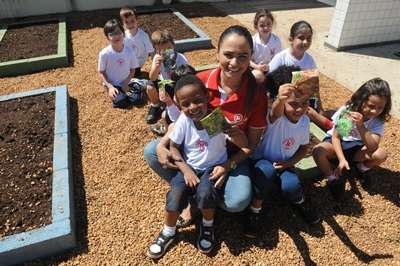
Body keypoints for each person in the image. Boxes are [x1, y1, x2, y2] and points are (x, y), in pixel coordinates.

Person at [144, 25, 268, 225]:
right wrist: (162, 143)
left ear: (251, 56)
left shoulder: (256, 94)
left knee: (237, 202)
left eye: (243, 56)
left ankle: (205, 194)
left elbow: (250, 145)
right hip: (196, 150)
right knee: (151, 151)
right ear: (217, 52)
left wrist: (228, 165)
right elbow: (181, 120)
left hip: (230, 154)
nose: (234, 63)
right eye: (228, 54)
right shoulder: (198, 83)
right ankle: (193, 193)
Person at [147, 75, 250, 259]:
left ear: (207, 97)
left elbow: (244, 145)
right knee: (175, 193)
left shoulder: (215, 118)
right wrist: (185, 170)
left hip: (212, 168)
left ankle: (208, 225)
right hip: (190, 167)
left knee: (205, 193)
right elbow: (174, 147)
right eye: (186, 104)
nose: (193, 108)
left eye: (197, 101)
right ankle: (168, 230)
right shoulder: (184, 121)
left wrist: (233, 132)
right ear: (179, 105)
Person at [245, 75, 321, 238]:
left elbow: (303, 148)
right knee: (264, 173)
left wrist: (289, 163)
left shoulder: (305, 121)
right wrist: (280, 99)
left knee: (291, 186)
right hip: (264, 161)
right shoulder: (276, 118)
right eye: (293, 104)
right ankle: (255, 210)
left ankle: (301, 203)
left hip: (285, 163)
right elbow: (275, 112)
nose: (299, 109)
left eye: (304, 104)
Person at [313, 78, 391, 199]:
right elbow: (336, 137)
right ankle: (332, 179)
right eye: (371, 106)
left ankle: (360, 168)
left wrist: (361, 126)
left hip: (357, 147)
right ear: (362, 100)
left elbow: (372, 146)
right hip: (337, 144)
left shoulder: (377, 120)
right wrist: (341, 159)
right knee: (318, 151)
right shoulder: (349, 111)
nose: (375, 111)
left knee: (381, 154)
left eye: (380, 107)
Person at [268, 20, 332, 131]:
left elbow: (314, 86)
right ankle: (332, 131)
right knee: (310, 115)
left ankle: (332, 132)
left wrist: (320, 106)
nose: (305, 42)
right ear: (291, 39)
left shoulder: (309, 60)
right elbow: (270, 84)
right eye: (301, 38)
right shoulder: (280, 58)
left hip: (302, 100)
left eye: (309, 38)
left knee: (318, 114)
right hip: (284, 101)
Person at [145, 30, 189, 124]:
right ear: (157, 50)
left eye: (169, 48)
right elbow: (152, 77)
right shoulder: (157, 58)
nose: (166, 52)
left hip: (177, 84)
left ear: (173, 45)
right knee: (149, 86)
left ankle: (171, 107)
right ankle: (155, 105)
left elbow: (185, 79)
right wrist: (156, 67)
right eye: (162, 50)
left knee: (175, 104)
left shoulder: (181, 59)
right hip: (166, 82)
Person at [98, 19, 139, 108]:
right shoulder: (104, 53)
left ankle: (127, 90)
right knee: (122, 102)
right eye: (112, 34)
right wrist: (110, 87)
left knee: (137, 100)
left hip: (126, 82)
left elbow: (132, 70)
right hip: (112, 84)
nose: (116, 36)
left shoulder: (130, 51)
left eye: (118, 32)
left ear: (123, 33)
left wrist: (126, 83)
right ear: (107, 37)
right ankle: (116, 94)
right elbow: (101, 72)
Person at [150, 64, 197, 136]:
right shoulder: (175, 82)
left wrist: (169, 102)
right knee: (164, 115)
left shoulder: (195, 99)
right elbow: (161, 82)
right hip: (177, 112)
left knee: (165, 116)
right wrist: (161, 89)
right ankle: (167, 132)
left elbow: (181, 120)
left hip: (187, 125)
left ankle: (169, 134)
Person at [120, 7, 154, 77]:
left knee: (131, 77)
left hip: (138, 62)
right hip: (127, 62)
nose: (130, 24)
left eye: (132, 21)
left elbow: (151, 51)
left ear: (137, 20)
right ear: (123, 23)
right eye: (126, 22)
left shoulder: (143, 36)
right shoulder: (123, 36)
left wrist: (155, 67)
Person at [250, 9, 282, 84]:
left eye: (268, 24)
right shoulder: (252, 40)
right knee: (257, 75)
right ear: (256, 26)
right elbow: (248, 60)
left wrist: (269, 67)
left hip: (272, 69)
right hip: (255, 69)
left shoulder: (276, 40)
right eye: (262, 25)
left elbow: (278, 59)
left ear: (272, 24)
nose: (266, 28)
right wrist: (257, 67)